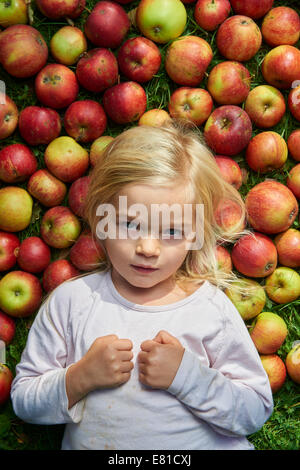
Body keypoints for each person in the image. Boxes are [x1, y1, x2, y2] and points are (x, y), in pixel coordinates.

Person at [10, 119, 273, 450]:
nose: (148, 248)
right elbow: (24, 401)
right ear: (101, 220)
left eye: (172, 232)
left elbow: (255, 409)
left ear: (195, 235)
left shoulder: (210, 309)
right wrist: (80, 378)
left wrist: (190, 377)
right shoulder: (73, 302)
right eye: (130, 225)